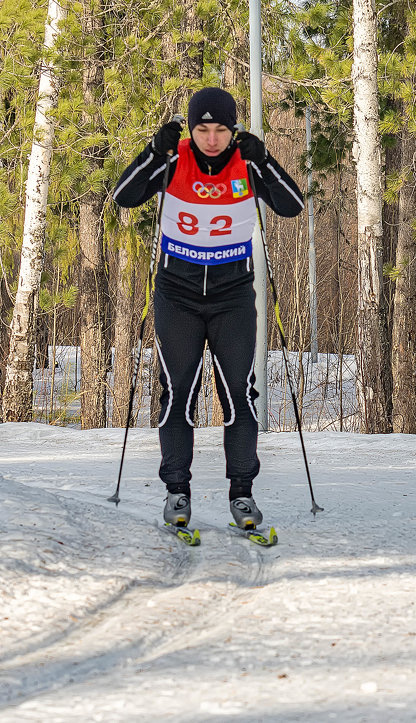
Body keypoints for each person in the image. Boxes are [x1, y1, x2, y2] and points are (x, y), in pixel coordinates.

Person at [113, 87, 303, 532]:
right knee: (178, 394)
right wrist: (150, 152)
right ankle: (177, 491)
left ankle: (242, 495)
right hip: (176, 294)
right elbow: (124, 195)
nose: (212, 138)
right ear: (191, 128)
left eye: (221, 130)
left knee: (239, 397)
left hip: (232, 296)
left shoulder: (246, 162)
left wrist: (267, 160)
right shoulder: (174, 158)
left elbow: (292, 207)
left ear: (233, 130)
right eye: (202, 129)